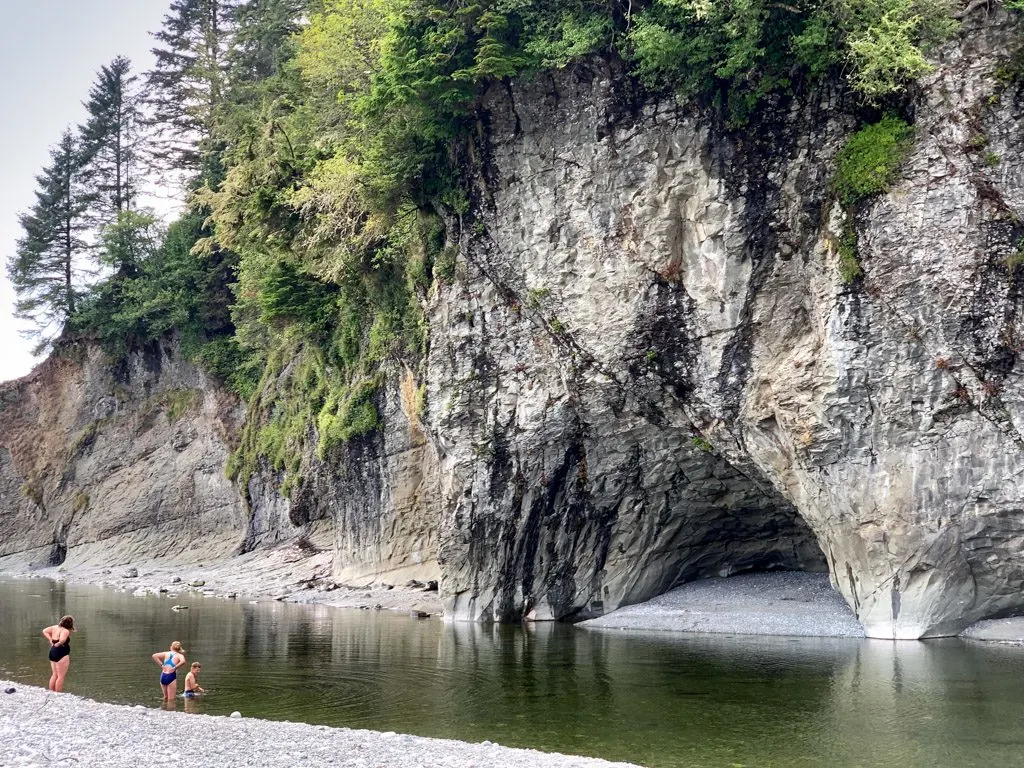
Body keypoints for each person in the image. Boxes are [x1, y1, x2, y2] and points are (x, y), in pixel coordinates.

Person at [42, 615, 75, 692]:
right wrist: (59, 643)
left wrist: (50, 640)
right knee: (61, 676)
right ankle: (58, 694)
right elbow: (62, 640)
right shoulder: (65, 631)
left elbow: (45, 631)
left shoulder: (55, 627)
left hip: (53, 651)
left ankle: (51, 691)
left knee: (54, 674)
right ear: (70, 624)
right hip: (61, 653)